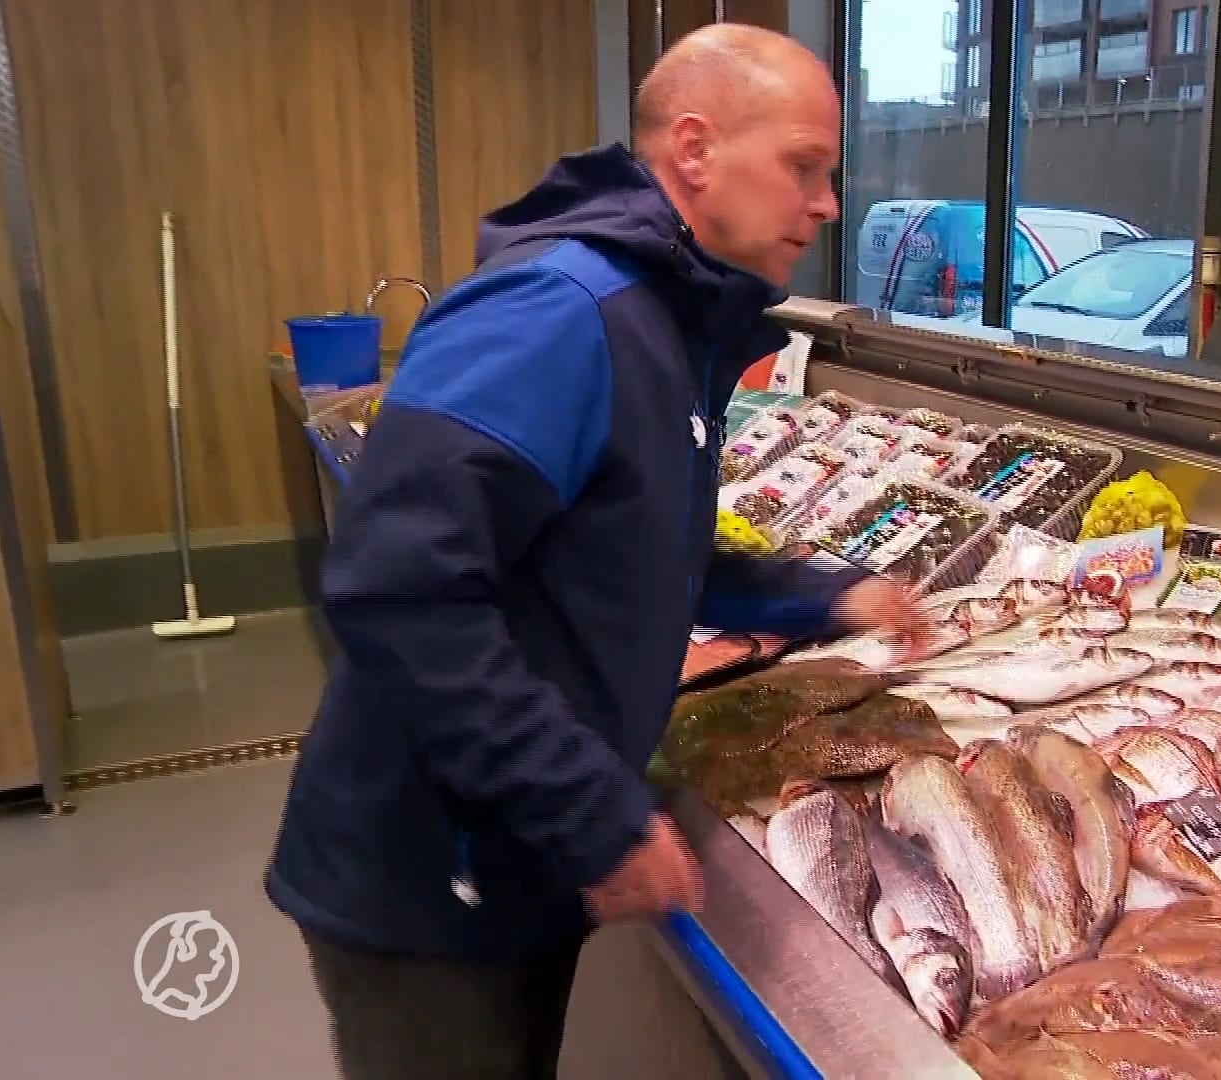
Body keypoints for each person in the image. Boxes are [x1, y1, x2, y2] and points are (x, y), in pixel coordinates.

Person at [265, 24, 920, 1079]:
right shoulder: (561, 313)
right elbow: (399, 587)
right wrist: (593, 812)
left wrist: (832, 599)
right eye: (805, 167)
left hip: (513, 864)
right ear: (695, 152)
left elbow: (649, 556)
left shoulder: (671, 325)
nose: (828, 204)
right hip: (428, 883)